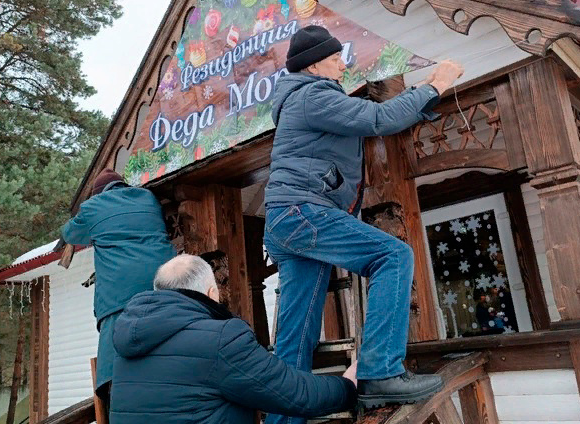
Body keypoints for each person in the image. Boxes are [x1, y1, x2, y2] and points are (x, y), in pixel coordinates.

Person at [264, 25, 464, 417]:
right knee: (393, 256)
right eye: (336, 58)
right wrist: (436, 85)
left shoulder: (300, 100)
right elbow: (378, 119)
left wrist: (417, 93)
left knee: (296, 340)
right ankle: (379, 372)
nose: (342, 65)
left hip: (287, 219)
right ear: (316, 64)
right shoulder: (312, 95)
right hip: (304, 211)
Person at [109, 254, 357, 424]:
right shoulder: (220, 340)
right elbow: (293, 393)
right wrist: (348, 387)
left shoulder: (125, 345)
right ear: (211, 292)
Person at [60, 168, 175, 405]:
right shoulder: (148, 198)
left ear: (98, 193)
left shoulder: (93, 207)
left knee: (115, 375)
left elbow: (70, 233)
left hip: (118, 300)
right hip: (164, 288)